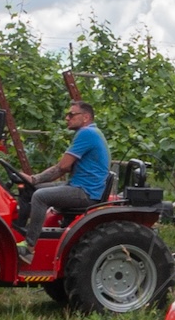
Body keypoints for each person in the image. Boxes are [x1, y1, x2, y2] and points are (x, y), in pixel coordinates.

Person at [16, 101, 111, 263]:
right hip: (78, 186)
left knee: (39, 196)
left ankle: (29, 247)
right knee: (29, 188)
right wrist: (33, 181)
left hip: (85, 192)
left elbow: (63, 167)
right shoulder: (93, 132)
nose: (67, 118)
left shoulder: (87, 133)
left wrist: (35, 178)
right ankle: (18, 233)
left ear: (86, 117)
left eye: (71, 115)